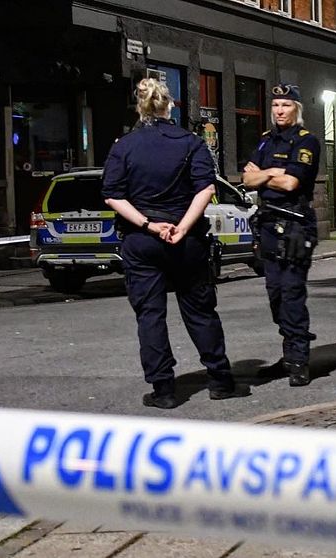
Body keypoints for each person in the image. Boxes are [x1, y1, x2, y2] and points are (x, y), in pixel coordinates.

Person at [102, 78, 246, 409]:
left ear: (140, 108)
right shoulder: (191, 143)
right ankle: (220, 379)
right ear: (170, 106)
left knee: (150, 315)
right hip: (187, 240)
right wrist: (182, 227)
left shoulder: (124, 146)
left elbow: (112, 195)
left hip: (142, 240)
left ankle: (164, 389)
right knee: (200, 310)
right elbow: (206, 189)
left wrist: (149, 225)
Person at [241, 83, 321, 387]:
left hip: (296, 225)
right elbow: (247, 179)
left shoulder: (306, 141)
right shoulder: (266, 140)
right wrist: (273, 173)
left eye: (286, 105)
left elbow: (291, 184)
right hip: (268, 224)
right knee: (274, 293)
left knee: (291, 293)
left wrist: (264, 175)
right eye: (276, 105)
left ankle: (299, 360)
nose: (279, 110)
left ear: (296, 109)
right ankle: (288, 353)